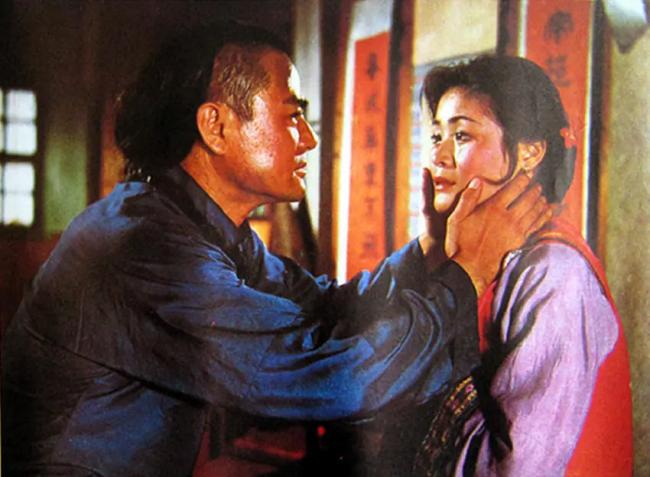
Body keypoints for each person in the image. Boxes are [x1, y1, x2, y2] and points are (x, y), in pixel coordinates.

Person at [1, 25, 549, 477]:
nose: (308, 138)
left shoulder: (200, 226)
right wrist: (468, 274)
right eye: (291, 115)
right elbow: (324, 375)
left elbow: (324, 307)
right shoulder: (145, 247)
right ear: (216, 126)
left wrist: (434, 241)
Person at [404, 55, 632, 476]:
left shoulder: (553, 271)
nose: (438, 155)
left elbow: (519, 465)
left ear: (529, 152)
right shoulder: (481, 257)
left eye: (461, 135)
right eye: (436, 135)